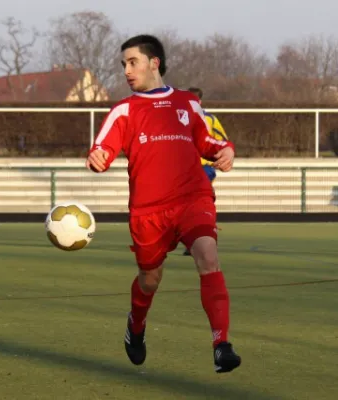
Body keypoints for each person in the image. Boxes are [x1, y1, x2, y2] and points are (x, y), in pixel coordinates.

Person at [86, 34, 241, 373]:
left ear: (154, 62)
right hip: (148, 211)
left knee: (208, 256)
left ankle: (221, 344)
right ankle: (136, 326)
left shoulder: (186, 102)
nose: (127, 71)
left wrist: (224, 150)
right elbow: (103, 147)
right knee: (150, 278)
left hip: (192, 198)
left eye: (133, 62)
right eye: (124, 65)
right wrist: (98, 157)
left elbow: (208, 140)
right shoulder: (123, 110)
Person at [183, 87, 229, 256]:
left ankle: (203, 240)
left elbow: (222, 141)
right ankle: (196, 240)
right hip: (185, 168)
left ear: (199, 102)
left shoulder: (209, 119)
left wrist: (219, 157)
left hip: (204, 168)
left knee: (196, 203)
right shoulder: (180, 118)